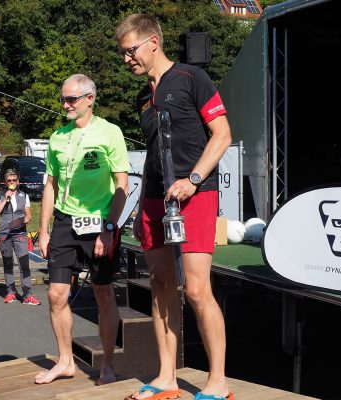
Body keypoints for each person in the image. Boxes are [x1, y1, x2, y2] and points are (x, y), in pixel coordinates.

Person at [115, 14, 233, 400]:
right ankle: (167, 377)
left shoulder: (191, 78)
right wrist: (138, 210)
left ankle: (217, 383)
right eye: (122, 53)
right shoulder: (141, 98)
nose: (126, 59)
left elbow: (222, 135)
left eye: (130, 50)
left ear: (153, 41)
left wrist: (194, 179)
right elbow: (153, 155)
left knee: (197, 290)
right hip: (154, 199)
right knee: (161, 284)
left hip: (196, 194)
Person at [35, 74, 129, 386]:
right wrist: (43, 230)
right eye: (62, 99)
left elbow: (122, 185)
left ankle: (107, 366)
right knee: (55, 293)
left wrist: (109, 228)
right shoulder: (57, 137)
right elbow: (50, 186)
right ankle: (65, 361)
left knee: (102, 293)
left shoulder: (110, 132)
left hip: (100, 221)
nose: (65, 105)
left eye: (71, 99)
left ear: (89, 99)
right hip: (64, 223)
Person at [0, 169, 41, 305]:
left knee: (24, 263)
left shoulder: (23, 195)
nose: (12, 182)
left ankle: (27, 295)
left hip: (19, 232)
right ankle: (11, 292)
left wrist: (27, 218)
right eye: (9, 181)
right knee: (8, 263)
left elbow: (29, 214)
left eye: (14, 180)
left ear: (18, 182)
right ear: (5, 182)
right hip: (4, 233)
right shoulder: (0, 194)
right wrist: (5, 198)